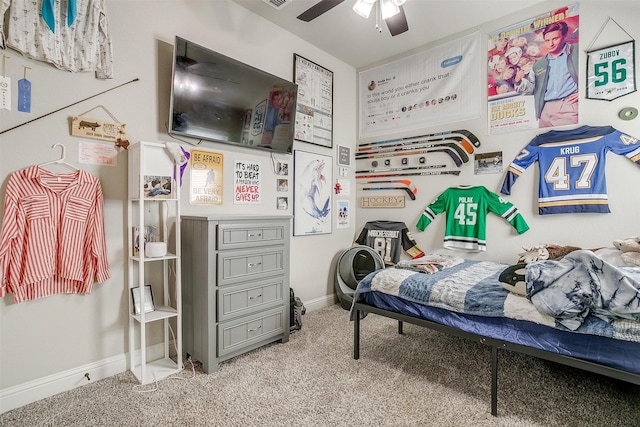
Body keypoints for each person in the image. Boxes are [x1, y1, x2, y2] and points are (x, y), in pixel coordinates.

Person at [532, 20, 579, 127]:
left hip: (568, 106)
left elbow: (593, 71)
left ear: (564, 36)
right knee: (545, 143)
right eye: (547, 40)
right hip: (545, 110)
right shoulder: (540, 63)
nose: (551, 43)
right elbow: (533, 88)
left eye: (555, 39)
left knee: (569, 142)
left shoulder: (576, 50)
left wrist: (584, 92)